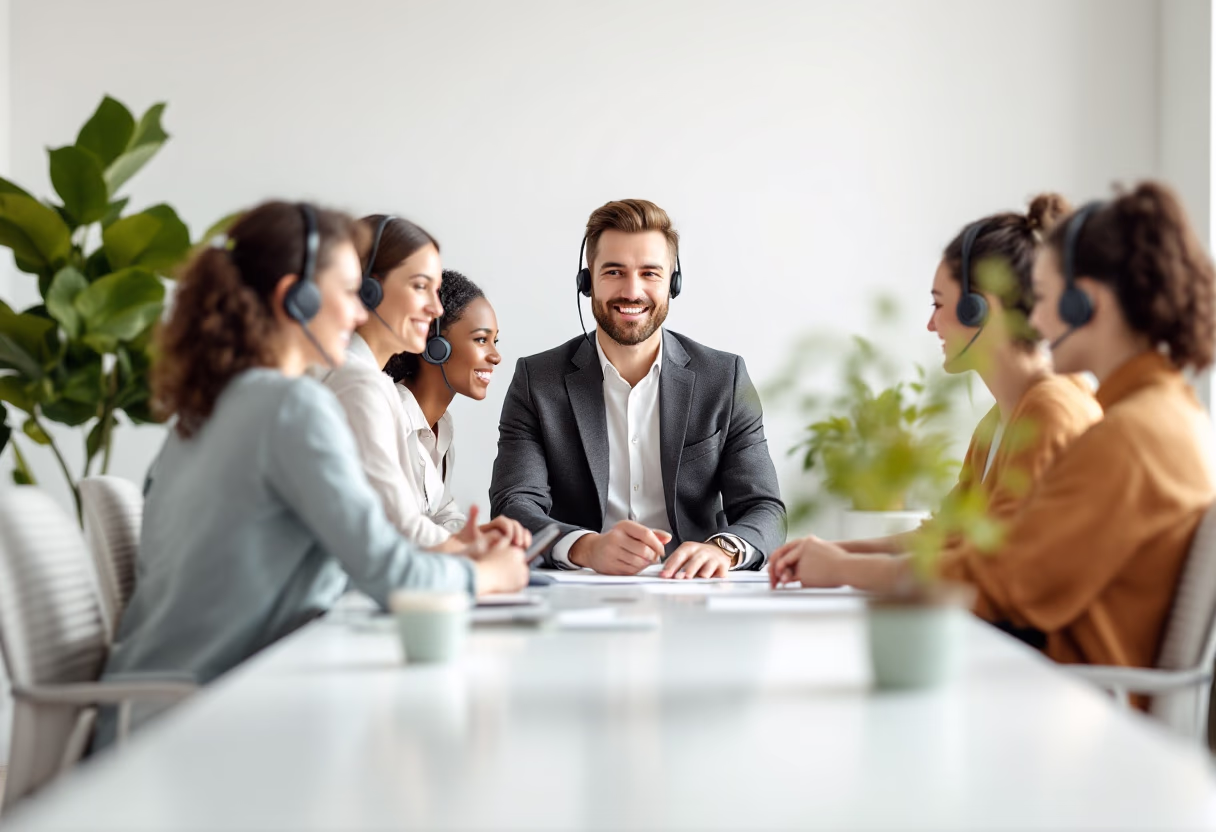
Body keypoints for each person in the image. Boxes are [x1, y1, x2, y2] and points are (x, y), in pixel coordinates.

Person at [97, 202, 528, 745]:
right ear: (294, 299)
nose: (357, 315)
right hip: (198, 722)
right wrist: (489, 574)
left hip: (161, 709)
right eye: (350, 294)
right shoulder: (291, 407)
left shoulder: (209, 404)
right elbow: (393, 573)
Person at [772, 182, 1216, 670]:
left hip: (1067, 690)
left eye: (1043, 297)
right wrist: (839, 557)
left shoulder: (1130, 434)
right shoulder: (1151, 413)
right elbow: (965, 543)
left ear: (1085, 303)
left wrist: (844, 567)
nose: (1037, 318)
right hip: (1046, 672)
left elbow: (1001, 581)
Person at [773, 194, 1101, 573]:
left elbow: (993, 574)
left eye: (939, 304)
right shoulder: (997, 423)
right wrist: (835, 550)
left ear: (979, 309)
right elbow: (945, 536)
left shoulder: (1052, 412)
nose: (931, 325)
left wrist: (842, 569)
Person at [491, 198, 786, 577]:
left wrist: (723, 550)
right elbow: (513, 505)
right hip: (582, 590)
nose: (632, 291)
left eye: (650, 273)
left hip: (694, 591)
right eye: (614, 272)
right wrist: (586, 547)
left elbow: (766, 509)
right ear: (587, 281)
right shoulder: (537, 381)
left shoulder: (724, 378)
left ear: (673, 284)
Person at [315, 215, 528, 553]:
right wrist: (476, 556)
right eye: (419, 286)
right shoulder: (359, 387)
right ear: (368, 289)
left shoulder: (378, 389)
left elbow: (435, 514)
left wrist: (475, 538)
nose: (434, 308)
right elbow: (396, 529)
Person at [382, 269, 502, 533]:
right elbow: (395, 529)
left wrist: (482, 537)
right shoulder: (388, 418)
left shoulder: (442, 427)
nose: (496, 356)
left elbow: (442, 513)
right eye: (481, 339)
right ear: (436, 346)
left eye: (495, 341)